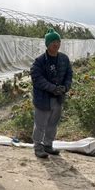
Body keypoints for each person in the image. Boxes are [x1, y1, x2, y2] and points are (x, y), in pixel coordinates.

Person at [30, 28, 73, 158]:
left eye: (58, 41)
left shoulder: (64, 59)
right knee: (40, 124)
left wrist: (65, 87)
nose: (56, 44)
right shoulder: (40, 61)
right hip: (43, 98)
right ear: (47, 44)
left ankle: (48, 145)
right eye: (53, 42)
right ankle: (38, 147)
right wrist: (52, 88)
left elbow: (69, 74)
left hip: (58, 98)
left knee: (52, 124)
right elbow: (37, 78)